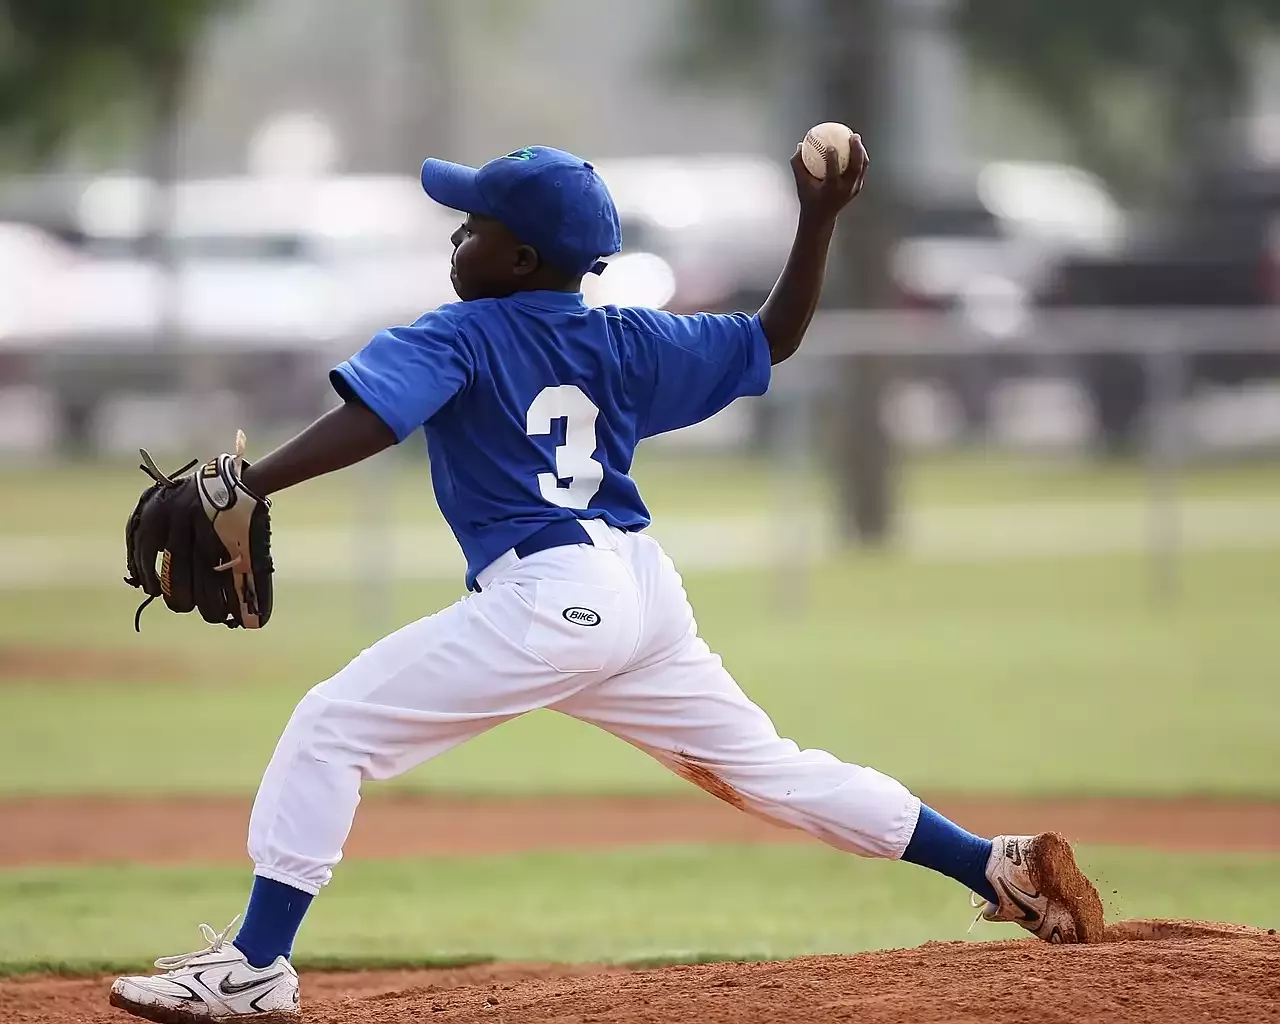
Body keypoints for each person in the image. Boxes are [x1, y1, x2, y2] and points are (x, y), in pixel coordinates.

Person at [109, 136, 1102, 1023]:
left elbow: (378, 417)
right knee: (767, 768)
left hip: (550, 598)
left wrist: (251, 479)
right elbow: (773, 336)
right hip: (638, 592)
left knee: (332, 726)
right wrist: (816, 219)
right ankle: (994, 864)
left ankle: (254, 966)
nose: (455, 239)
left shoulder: (460, 333)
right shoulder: (625, 336)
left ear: (521, 259)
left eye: (473, 227)